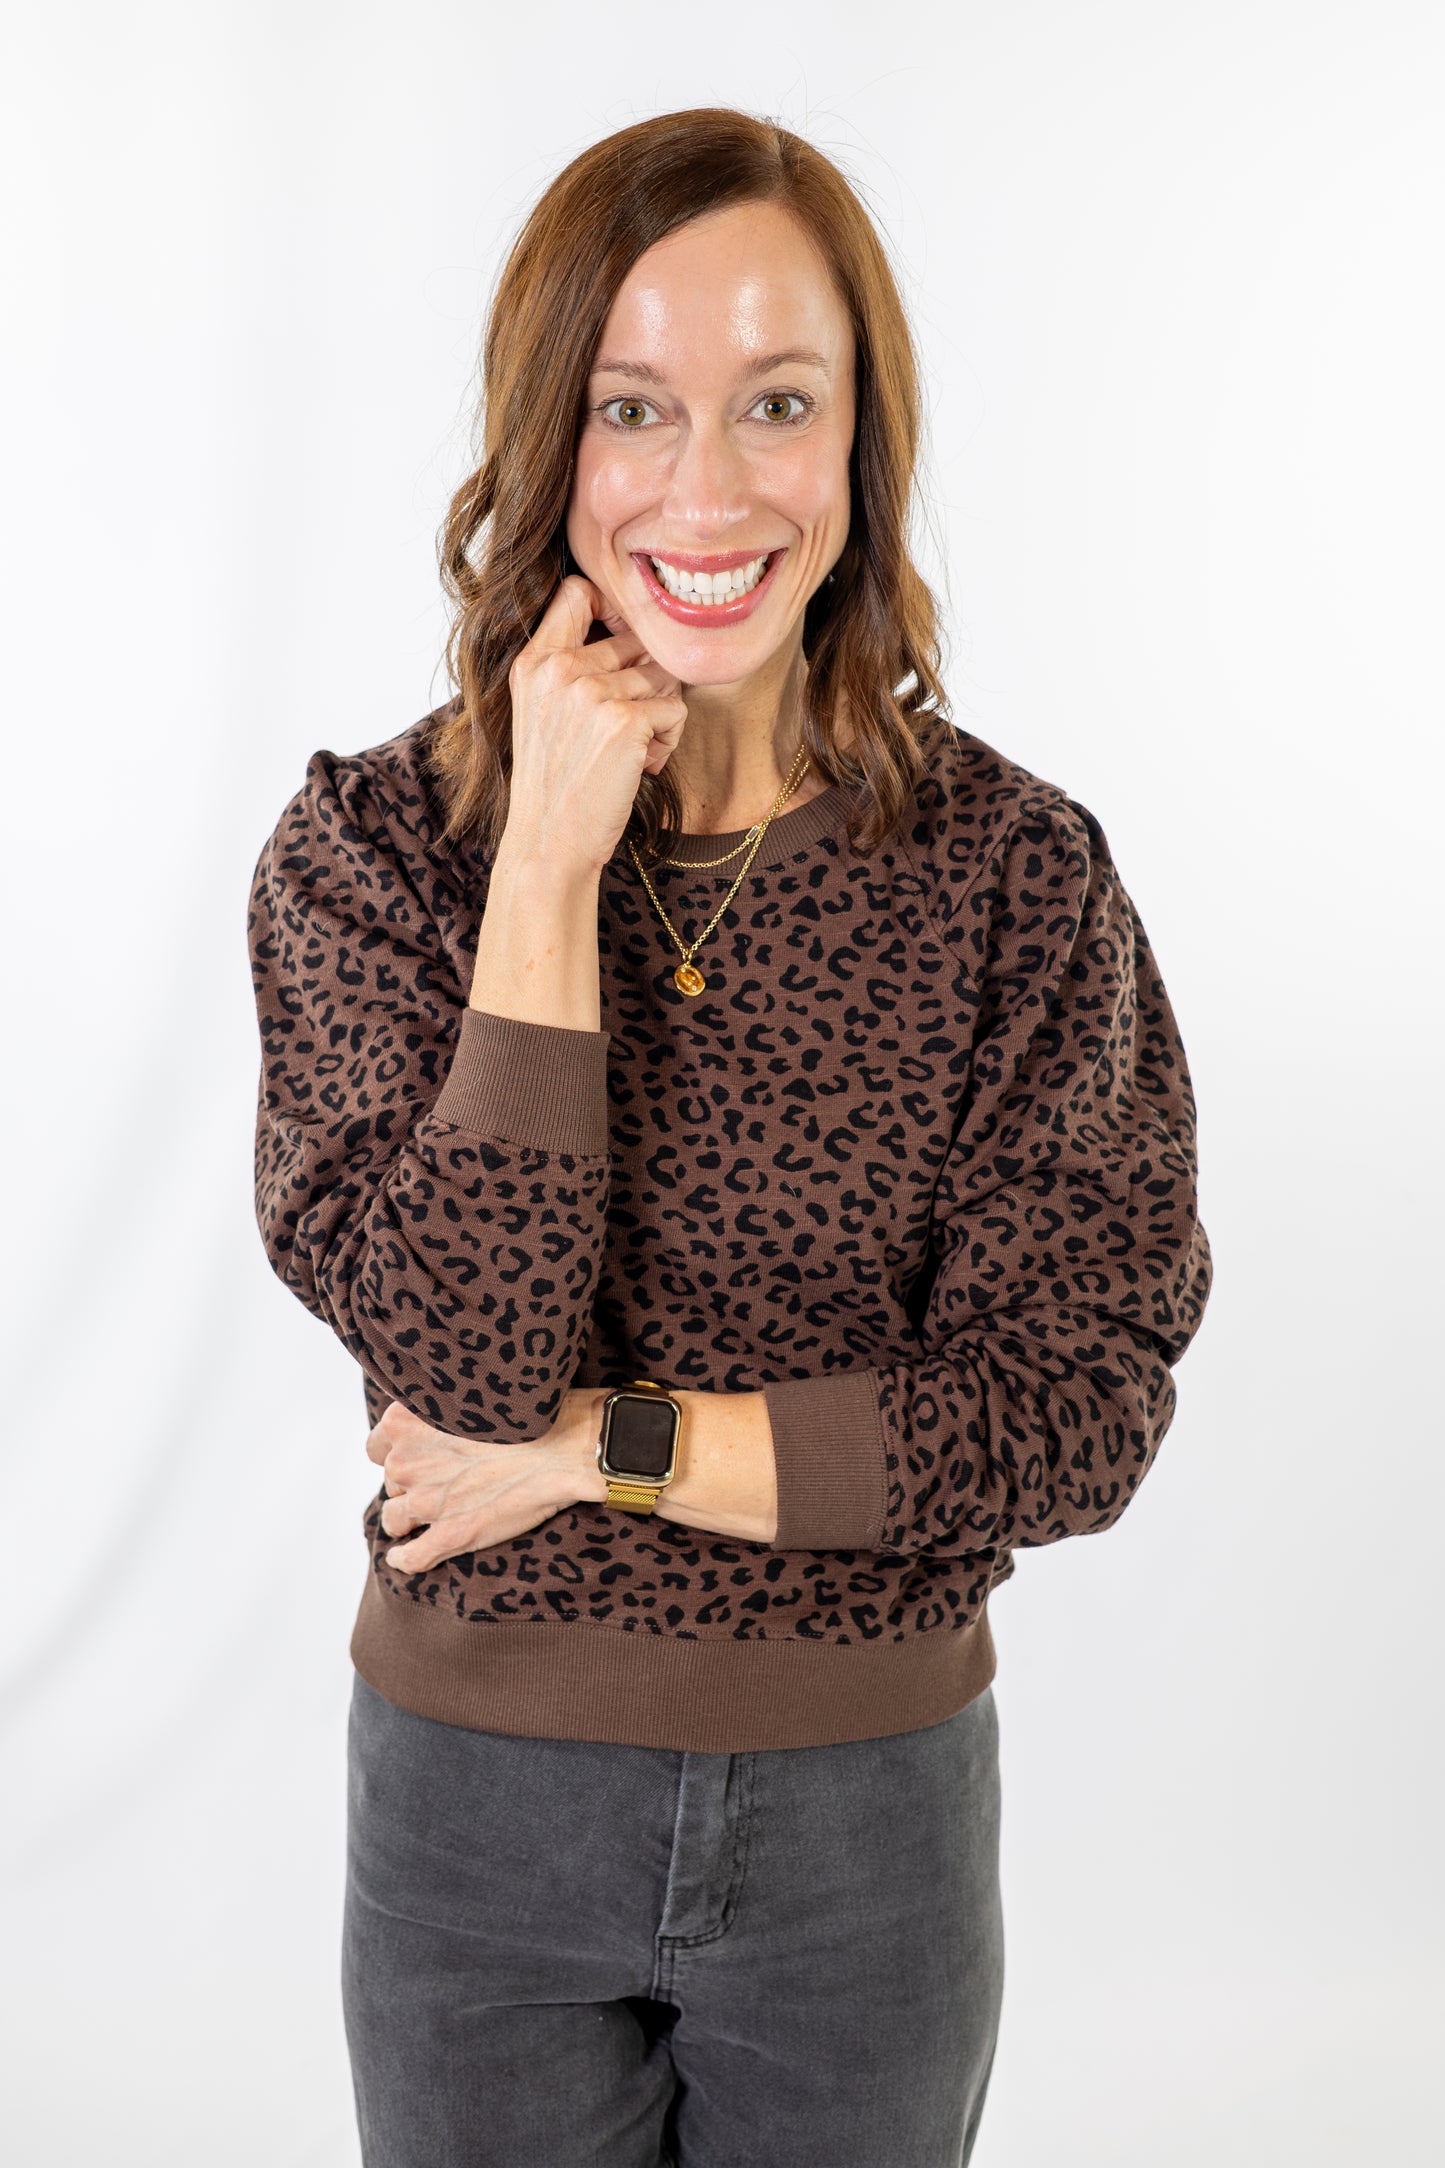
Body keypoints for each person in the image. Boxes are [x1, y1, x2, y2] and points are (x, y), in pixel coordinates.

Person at [247, 105, 1213, 2168]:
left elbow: (1071, 1416)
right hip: (477, 1823)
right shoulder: (373, 860)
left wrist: (597, 1452)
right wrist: (544, 869)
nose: (707, 489)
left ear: (861, 443)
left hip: (867, 1830)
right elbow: (462, 1366)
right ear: (548, 445)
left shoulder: (1014, 881)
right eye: (633, 408)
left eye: (778, 402)